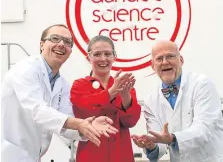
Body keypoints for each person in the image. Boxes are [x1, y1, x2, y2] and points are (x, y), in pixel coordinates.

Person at [1, 24, 118, 162]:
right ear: (42, 44)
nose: (61, 44)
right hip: (8, 154)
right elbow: (37, 111)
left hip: (32, 156)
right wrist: (78, 123)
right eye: (55, 38)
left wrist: (86, 128)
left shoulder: (61, 84)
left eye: (67, 42)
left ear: (70, 51)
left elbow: (65, 121)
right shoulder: (25, 69)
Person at [132, 40, 223, 162]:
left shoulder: (202, 84)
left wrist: (173, 138)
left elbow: (204, 129)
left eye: (170, 56)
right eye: (159, 58)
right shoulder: (151, 100)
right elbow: (160, 141)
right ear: (152, 65)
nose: (165, 62)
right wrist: (151, 146)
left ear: (181, 60)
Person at [70, 35, 141, 162]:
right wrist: (112, 92)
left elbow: (131, 122)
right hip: (91, 156)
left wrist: (125, 96)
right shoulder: (79, 85)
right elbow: (85, 111)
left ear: (114, 57)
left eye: (107, 54)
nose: (103, 59)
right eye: (97, 54)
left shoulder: (124, 85)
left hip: (121, 155)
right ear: (88, 58)